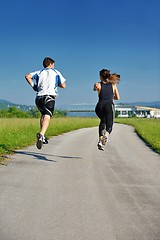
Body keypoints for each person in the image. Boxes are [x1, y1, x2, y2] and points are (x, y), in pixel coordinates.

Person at [25, 57, 66, 149]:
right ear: (51, 64)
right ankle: (42, 134)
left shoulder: (39, 72)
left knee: (43, 115)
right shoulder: (56, 72)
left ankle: (42, 136)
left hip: (39, 97)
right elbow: (64, 85)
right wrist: (56, 84)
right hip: (49, 97)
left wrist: (33, 86)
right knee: (47, 115)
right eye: (53, 64)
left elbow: (27, 76)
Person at [93, 69, 120, 151]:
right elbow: (117, 97)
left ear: (100, 76)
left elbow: (95, 89)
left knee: (103, 121)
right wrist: (112, 97)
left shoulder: (98, 84)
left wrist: (96, 86)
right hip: (109, 106)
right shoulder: (113, 85)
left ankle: (100, 141)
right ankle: (106, 136)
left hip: (99, 107)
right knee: (109, 125)